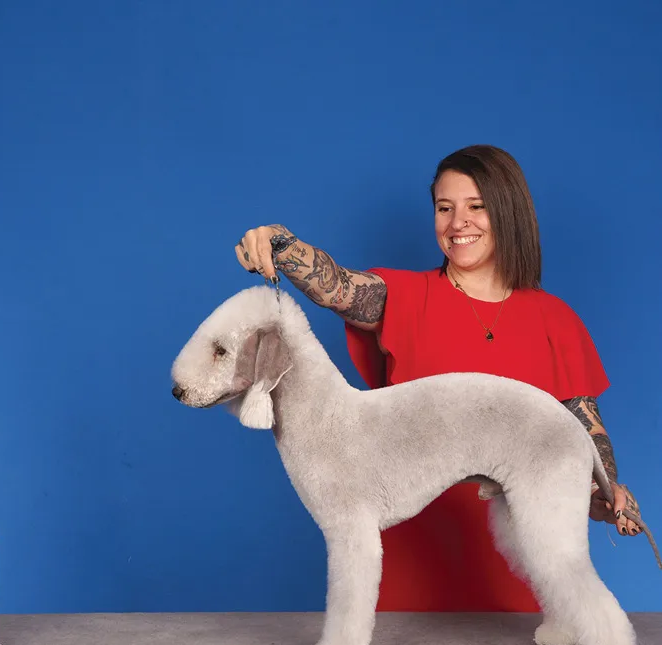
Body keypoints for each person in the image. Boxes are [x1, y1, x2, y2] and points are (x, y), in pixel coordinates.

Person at [234, 144, 642, 612]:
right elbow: (339, 287)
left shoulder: (558, 321)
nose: (457, 223)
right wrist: (281, 243)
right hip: (407, 588)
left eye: (476, 207)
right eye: (444, 208)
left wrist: (604, 494)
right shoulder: (402, 296)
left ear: (508, 213)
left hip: (517, 591)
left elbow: (583, 428)